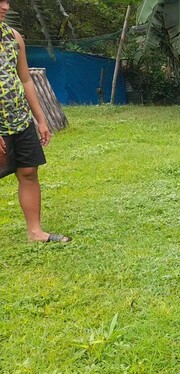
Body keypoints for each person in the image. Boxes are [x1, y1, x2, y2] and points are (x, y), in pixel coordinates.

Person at [0, 0, 71, 242]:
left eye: (6, 1)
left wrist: (40, 119)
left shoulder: (13, 37)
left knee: (29, 172)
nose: (5, 7)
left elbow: (26, 79)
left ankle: (35, 232)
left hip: (20, 119)